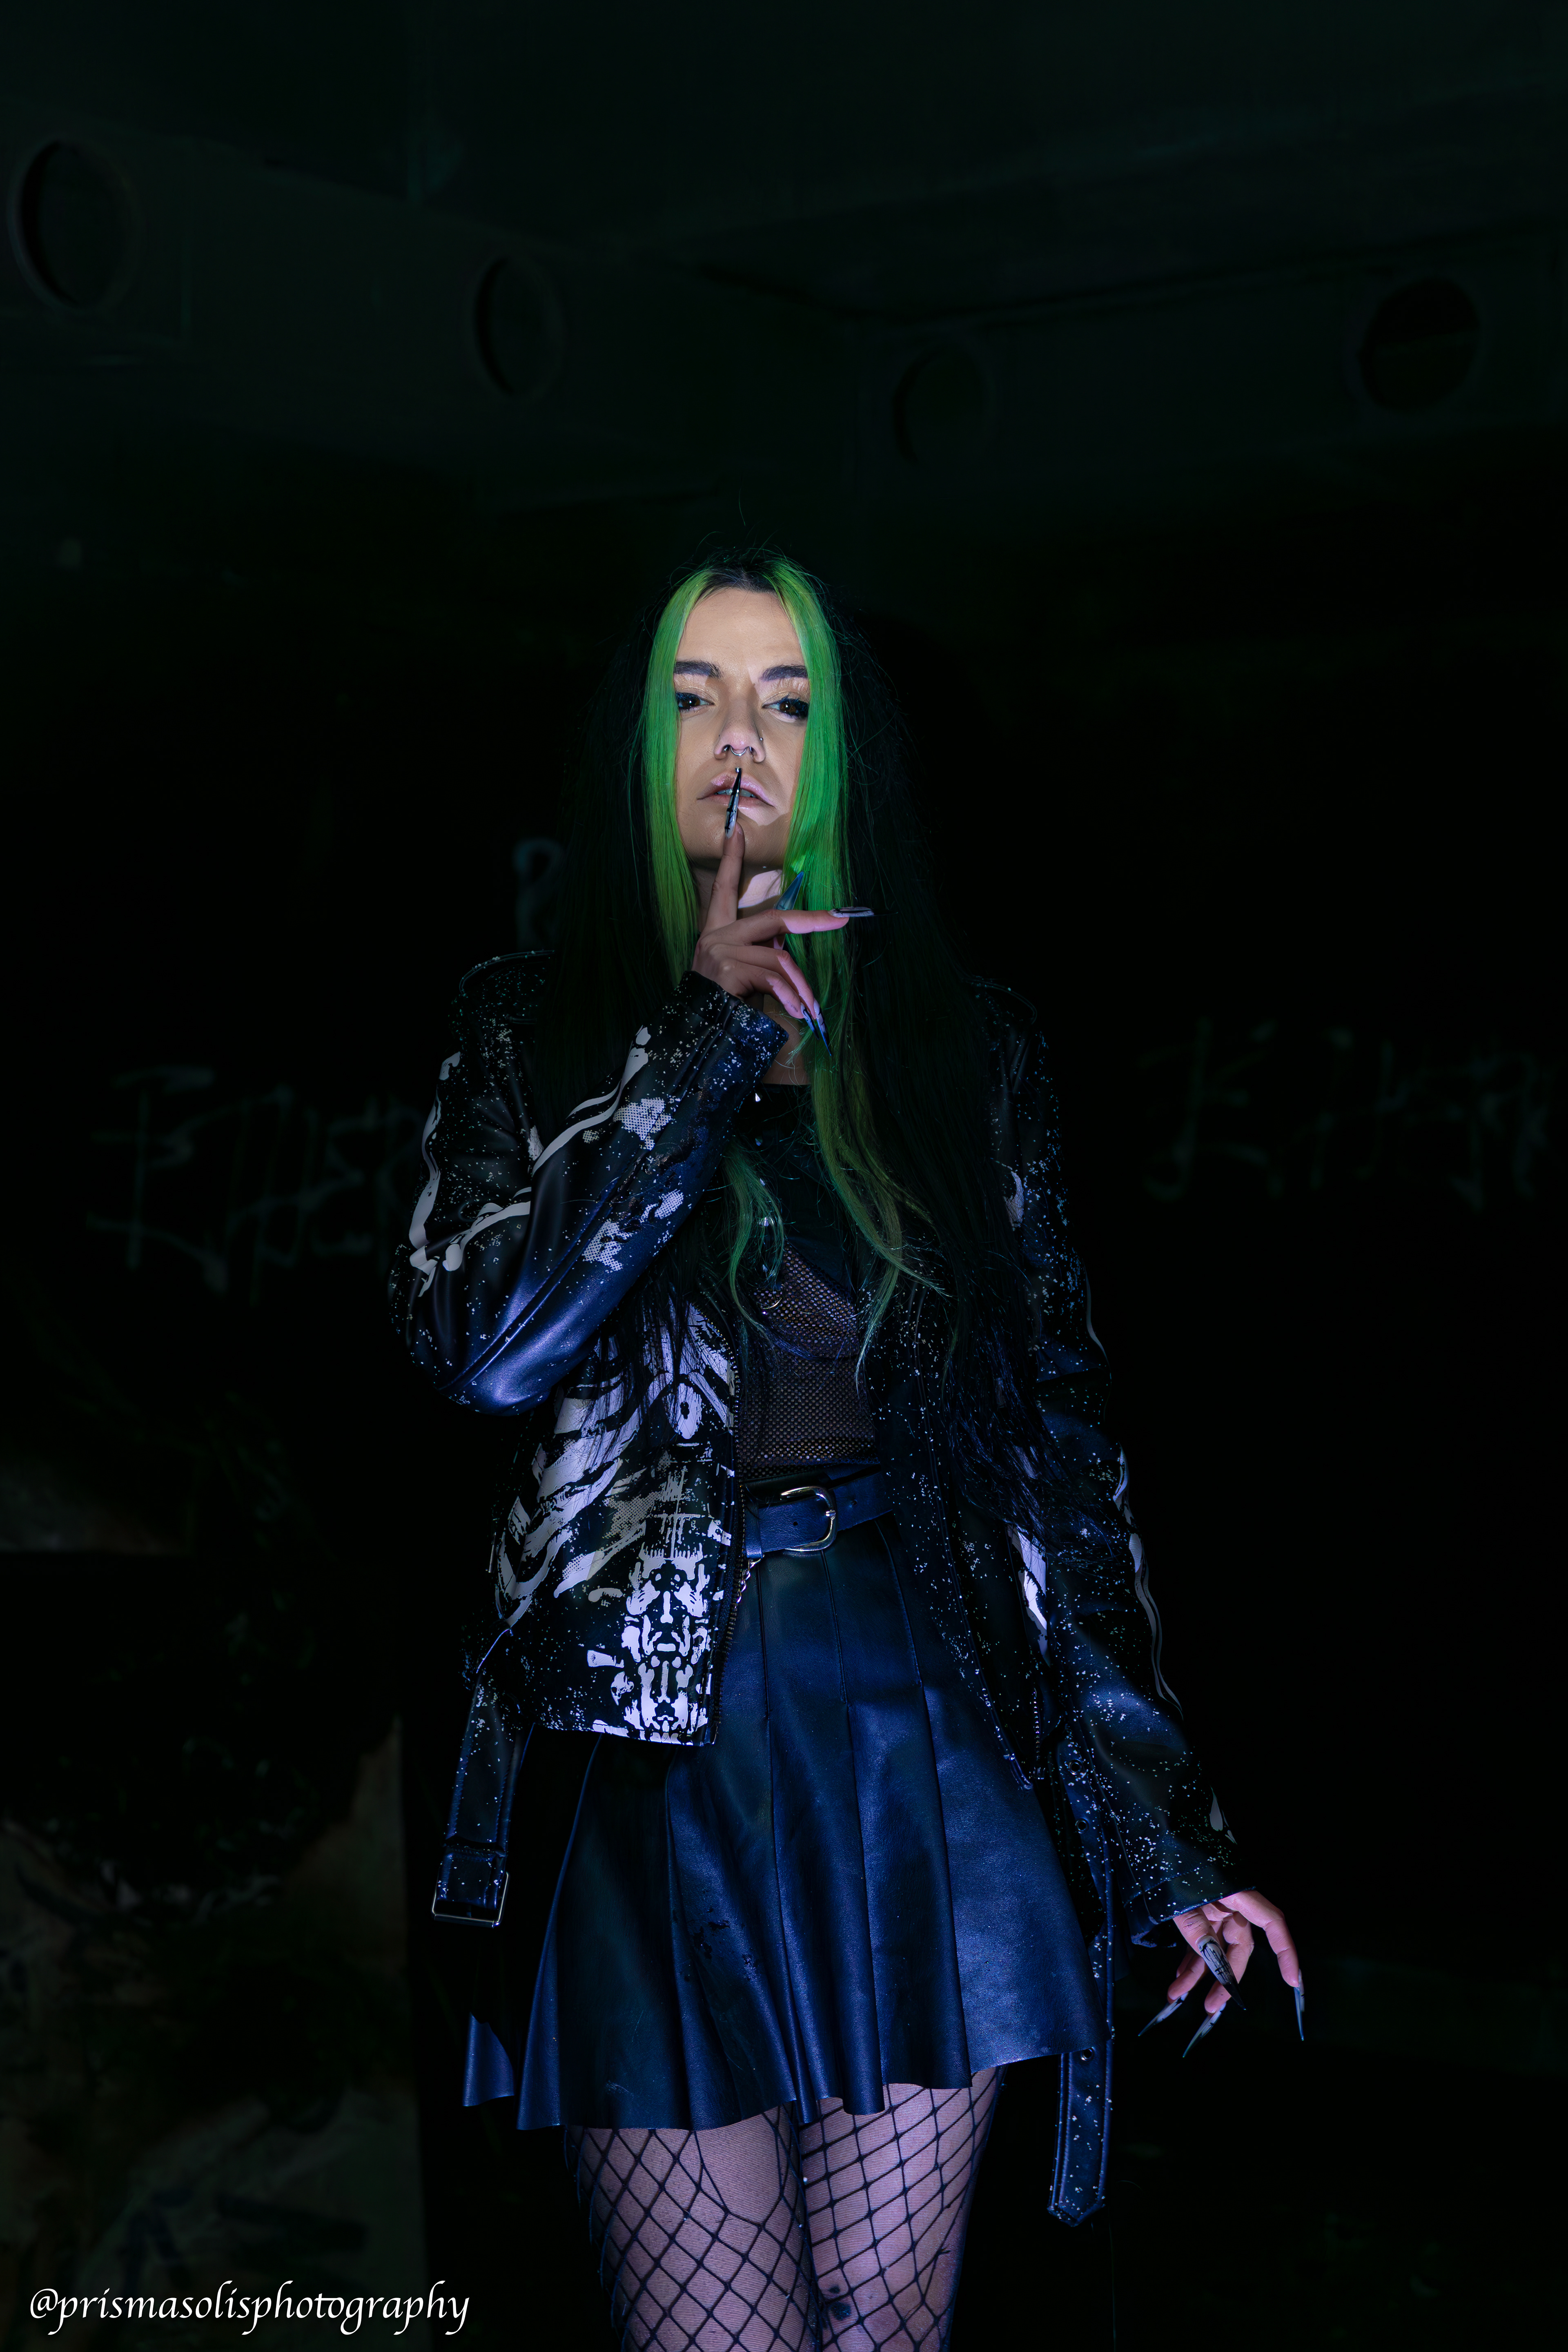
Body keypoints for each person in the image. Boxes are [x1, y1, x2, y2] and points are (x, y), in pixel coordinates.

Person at [392, 554, 1300, 2352]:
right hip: (654, 1753)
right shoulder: (532, 1025)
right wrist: (702, 1039)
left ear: (838, 757)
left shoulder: (963, 1049)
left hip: (919, 1730)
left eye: (785, 700)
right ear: (640, 745)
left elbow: (1062, 1459)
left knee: (883, 2324)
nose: (739, 738)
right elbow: (481, 1349)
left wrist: (1167, 1833)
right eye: (696, 696)